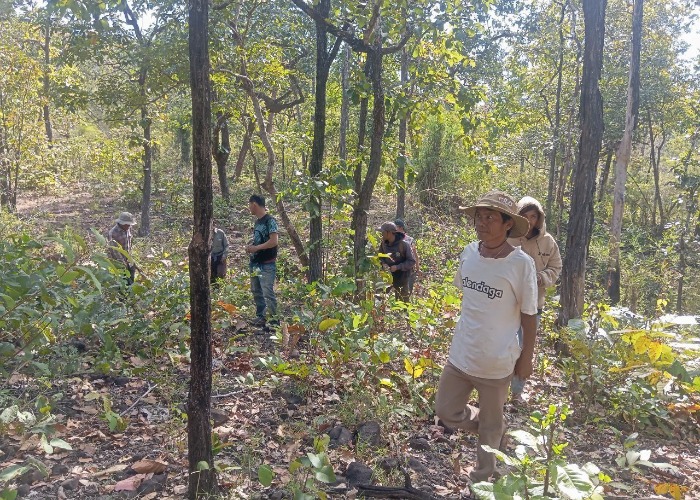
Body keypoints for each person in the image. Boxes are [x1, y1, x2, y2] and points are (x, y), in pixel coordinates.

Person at [435, 190, 538, 483]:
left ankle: (481, 479)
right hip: (462, 353)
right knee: (446, 411)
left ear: (508, 224)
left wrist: (526, 358)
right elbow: (469, 300)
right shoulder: (469, 253)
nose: (482, 222)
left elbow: (529, 316)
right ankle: (493, 429)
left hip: (497, 360)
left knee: (491, 425)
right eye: (479, 216)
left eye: (490, 217)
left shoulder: (521, 264)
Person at [507, 196, 562, 402]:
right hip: (507, 302)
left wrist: (540, 278)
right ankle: (498, 388)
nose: (529, 221)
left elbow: (556, 267)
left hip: (533, 304)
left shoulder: (548, 241)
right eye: (525, 216)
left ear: (539, 219)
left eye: (533, 216)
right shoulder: (508, 236)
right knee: (504, 345)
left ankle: (517, 392)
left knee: (524, 348)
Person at [245, 194, 278, 328]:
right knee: (256, 290)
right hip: (256, 262)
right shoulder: (257, 222)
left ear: (254, 204)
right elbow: (260, 239)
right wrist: (251, 247)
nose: (249, 208)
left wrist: (256, 248)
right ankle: (261, 317)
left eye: (249, 205)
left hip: (267, 263)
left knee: (267, 292)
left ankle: (275, 322)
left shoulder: (270, 221)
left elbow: (274, 241)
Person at [377, 221, 415, 301]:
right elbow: (380, 256)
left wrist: (398, 267)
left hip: (402, 276)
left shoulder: (404, 245)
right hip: (388, 275)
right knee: (379, 296)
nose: (381, 234)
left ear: (389, 233)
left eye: (383, 232)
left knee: (402, 300)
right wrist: (383, 264)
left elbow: (411, 261)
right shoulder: (383, 244)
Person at [108, 211, 137, 284]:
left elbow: (129, 243)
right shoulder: (113, 233)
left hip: (128, 259)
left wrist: (130, 259)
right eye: (127, 224)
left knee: (132, 274)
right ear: (121, 223)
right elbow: (115, 251)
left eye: (129, 224)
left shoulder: (128, 228)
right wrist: (123, 264)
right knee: (123, 281)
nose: (129, 226)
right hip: (118, 261)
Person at [394, 218, 419, 295]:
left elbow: (415, 254)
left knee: (408, 291)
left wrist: (418, 268)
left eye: (395, 227)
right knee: (398, 291)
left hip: (409, 268)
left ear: (400, 227)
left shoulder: (410, 240)